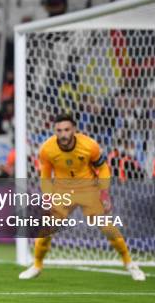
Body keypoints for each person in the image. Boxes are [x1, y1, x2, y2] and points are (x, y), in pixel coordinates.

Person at [18, 114, 145, 281]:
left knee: (106, 226)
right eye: (59, 130)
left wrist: (104, 193)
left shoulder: (89, 145)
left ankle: (130, 264)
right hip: (62, 191)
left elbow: (104, 168)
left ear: (74, 130)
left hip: (88, 189)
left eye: (67, 130)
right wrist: (47, 197)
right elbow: (46, 174)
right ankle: (37, 265)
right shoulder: (47, 149)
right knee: (47, 228)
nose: (63, 134)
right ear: (54, 131)